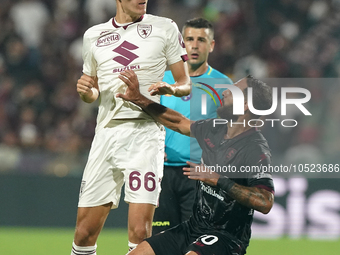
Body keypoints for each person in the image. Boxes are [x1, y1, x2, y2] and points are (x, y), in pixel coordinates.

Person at [71, 0, 191, 254]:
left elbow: (185, 83)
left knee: (139, 232)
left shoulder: (165, 27)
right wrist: (86, 92)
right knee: (84, 233)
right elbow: (92, 91)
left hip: (145, 133)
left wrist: (172, 89)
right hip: (106, 134)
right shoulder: (93, 36)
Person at [117, 71, 275, 255]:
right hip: (193, 228)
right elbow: (178, 122)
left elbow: (265, 202)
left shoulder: (255, 149)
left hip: (226, 238)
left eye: (232, 91)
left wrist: (219, 180)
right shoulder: (214, 129)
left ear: (245, 104)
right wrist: (138, 99)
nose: (224, 93)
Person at [153, 17, 233, 234]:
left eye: (201, 39)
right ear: (181, 43)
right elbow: (148, 122)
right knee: (161, 240)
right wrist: (153, 151)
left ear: (212, 45)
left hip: (199, 175)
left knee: (196, 241)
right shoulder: (162, 80)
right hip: (162, 175)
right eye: (189, 39)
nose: (195, 45)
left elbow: (234, 132)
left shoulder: (223, 85)